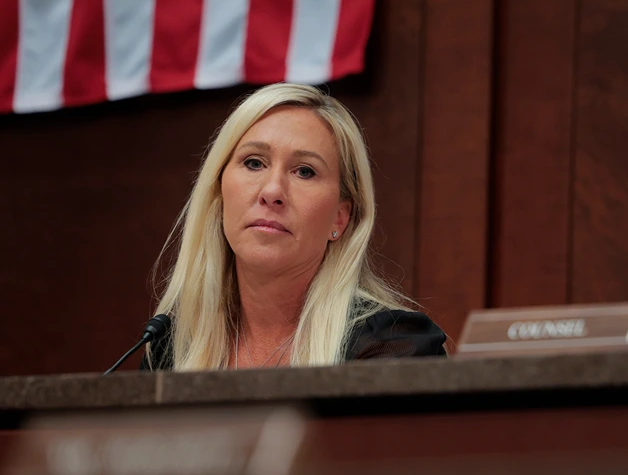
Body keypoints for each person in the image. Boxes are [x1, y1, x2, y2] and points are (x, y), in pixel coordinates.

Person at [141, 83, 446, 371]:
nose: (272, 191)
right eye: (254, 163)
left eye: (304, 171)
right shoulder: (170, 349)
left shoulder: (392, 346)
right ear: (219, 194)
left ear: (340, 217)